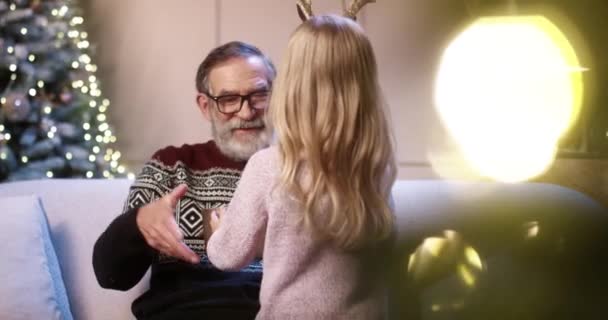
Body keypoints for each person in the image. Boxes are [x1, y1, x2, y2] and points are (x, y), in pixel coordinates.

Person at [207, 14, 397, 319]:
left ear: (292, 85)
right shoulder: (375, 165)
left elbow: (228, 256)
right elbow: (386, 252)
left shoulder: (269, 166)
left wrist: (219, 230)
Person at [92, 41, 276, 320]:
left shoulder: (304, 171)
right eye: (228, 100)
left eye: (259, 95)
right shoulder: (171, 164)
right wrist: (138, 223)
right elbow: (111, 275)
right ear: (205, 106)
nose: (246, 112)